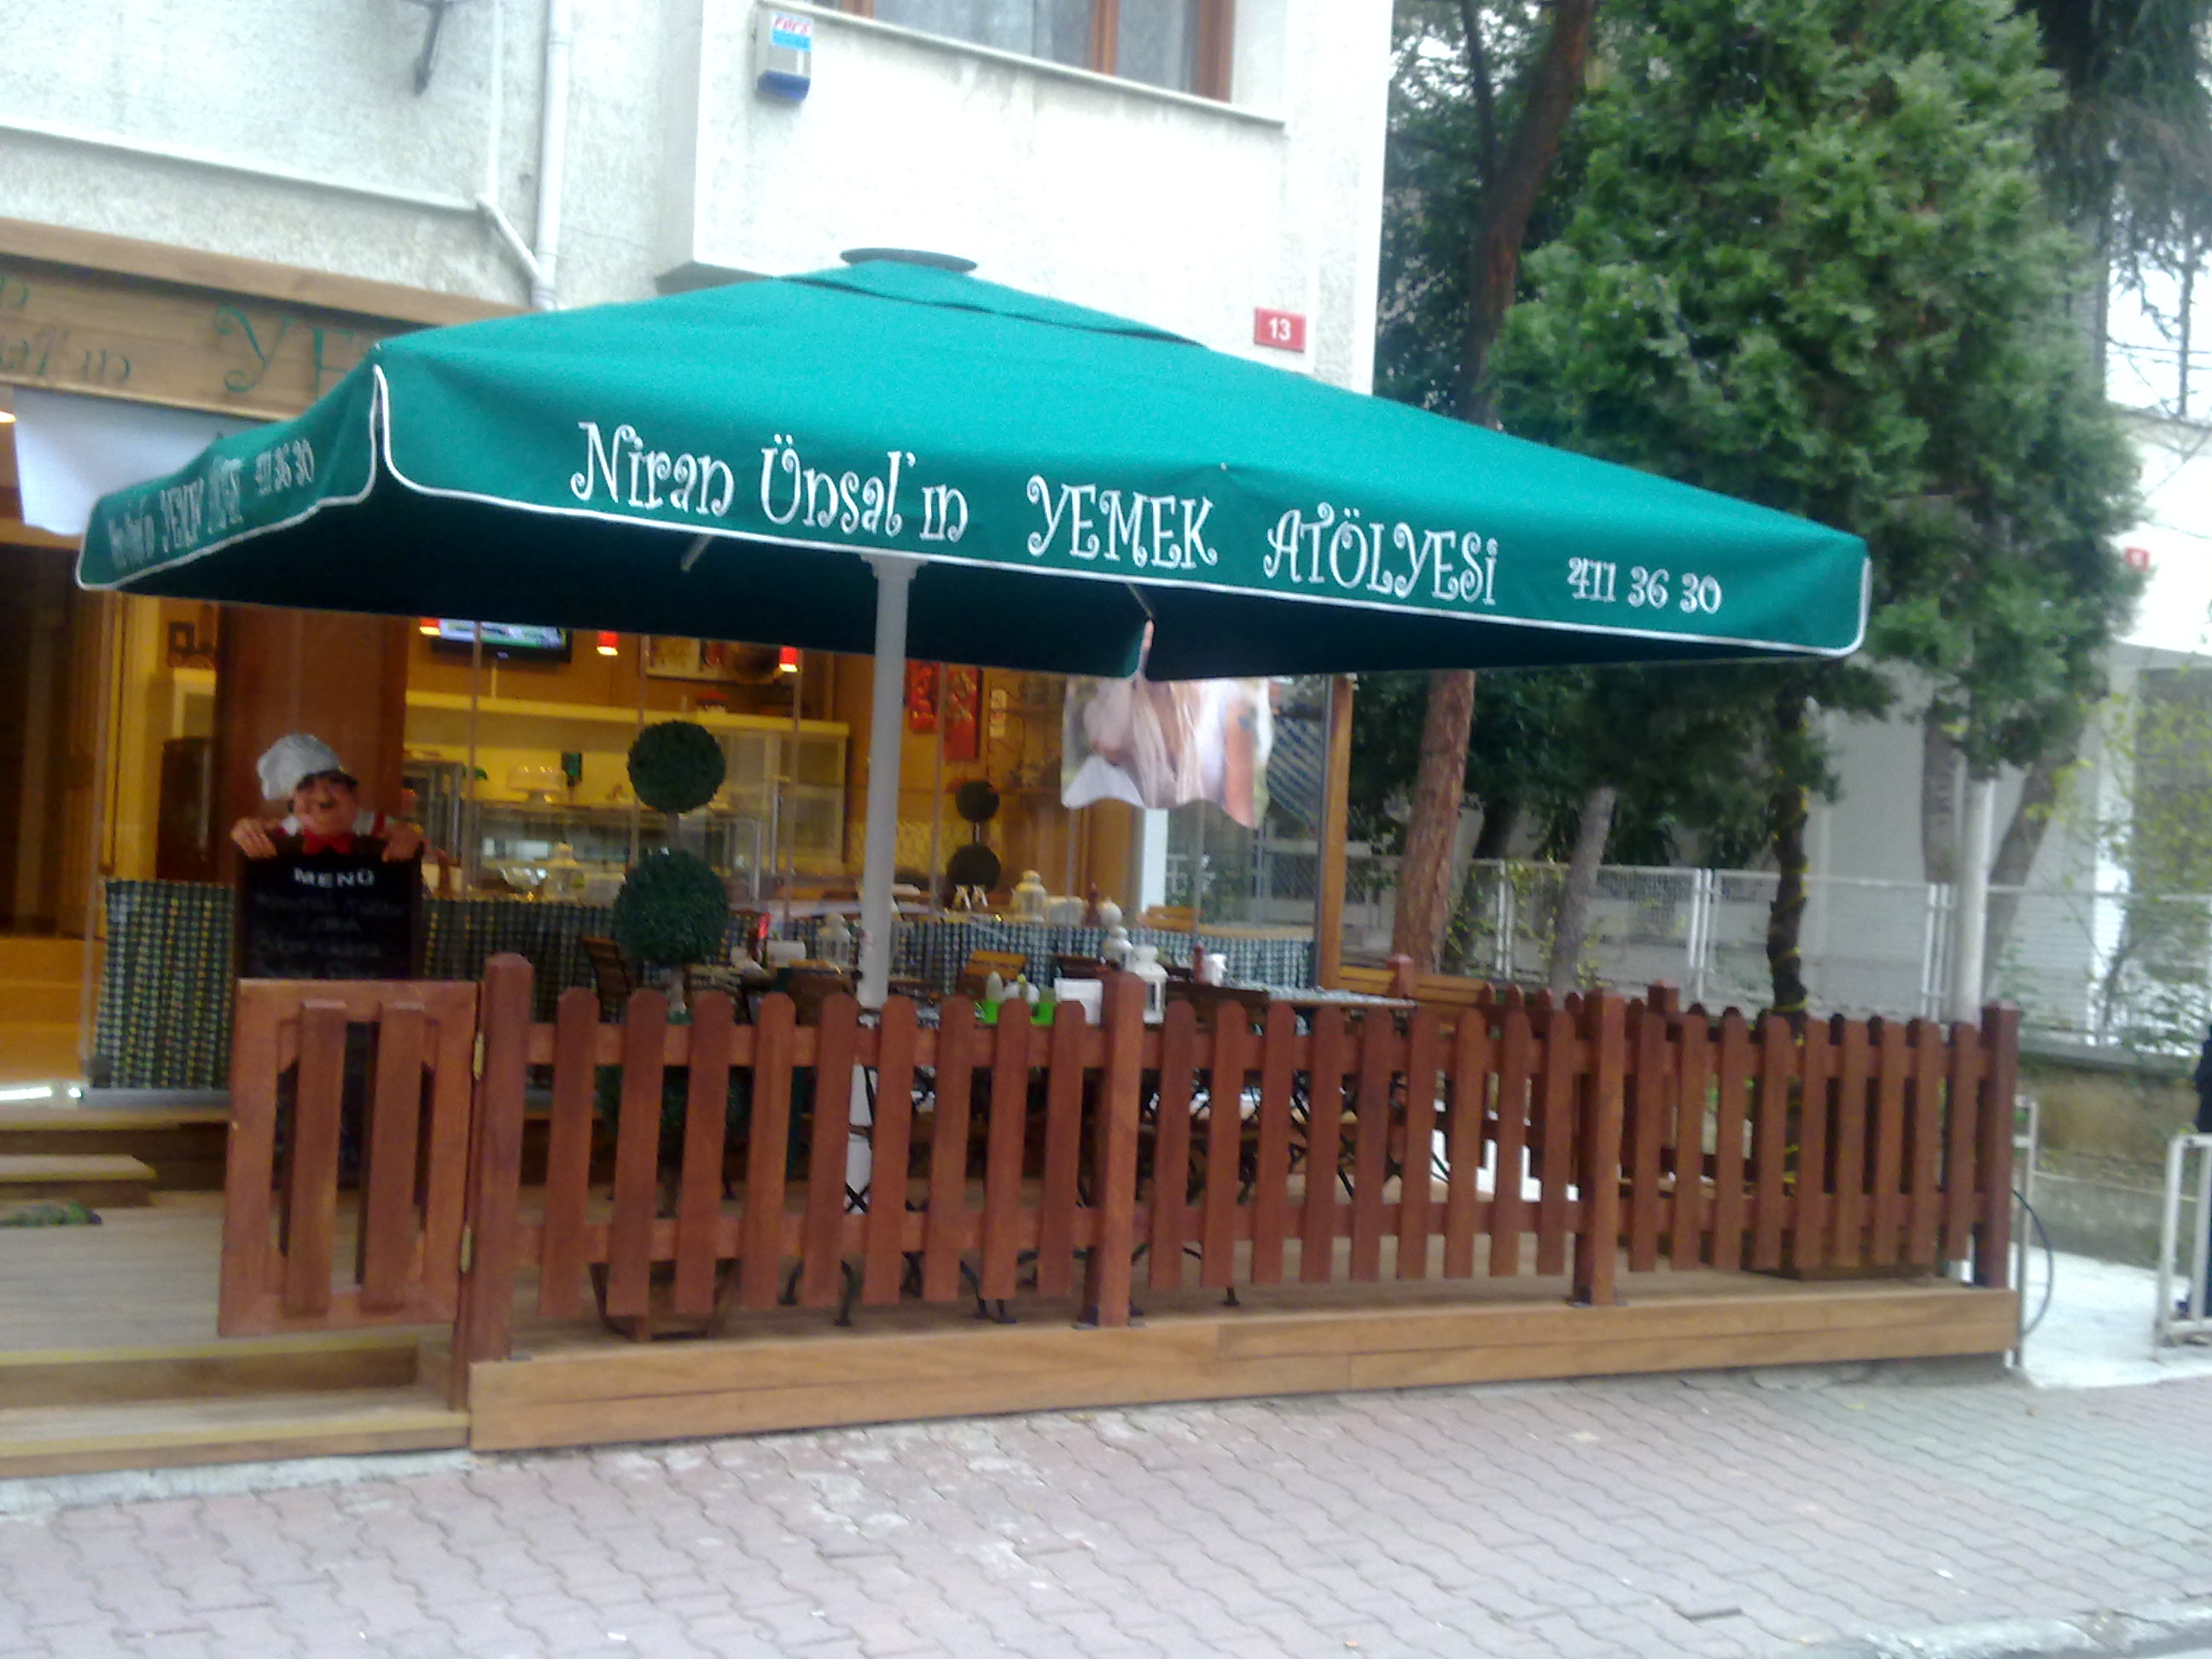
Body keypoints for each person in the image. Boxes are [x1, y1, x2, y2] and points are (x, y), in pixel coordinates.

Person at [230, 733, 423, 861]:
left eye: (334, 783)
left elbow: (407, 836)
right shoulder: (277, 838)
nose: (323, 798)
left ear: (354, 794)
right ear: (292, 805)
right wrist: (245, 834)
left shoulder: (378, 830)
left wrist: (409, 840)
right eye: (306, 788)